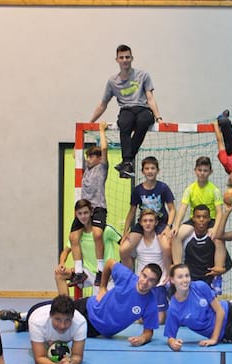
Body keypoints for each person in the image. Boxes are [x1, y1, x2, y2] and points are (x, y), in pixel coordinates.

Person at [89, 44, 164, 179]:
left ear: (132, 58)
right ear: (117, 60)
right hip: (126, 109)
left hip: (143, 108)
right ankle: (128, 161)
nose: (125, 60)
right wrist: (90, 122)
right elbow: (103, 104)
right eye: (121, 57)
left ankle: (126, 161)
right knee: (125, 122)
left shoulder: (143, 75)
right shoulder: (112, 81)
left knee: (144, 121)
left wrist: (158, 117)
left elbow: (150, 97)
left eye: (127, 57)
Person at [164, 264, 232, 351]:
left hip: (228, 310)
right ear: (172, 280)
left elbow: (220, 311)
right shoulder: (174, 309)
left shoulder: (199, 287)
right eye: (180, 277)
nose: (185, 280)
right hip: (224, 332)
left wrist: (214, 339)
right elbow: (170, 337)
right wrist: (173, 343)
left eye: (187, 276)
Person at [74, 258, 162, 346]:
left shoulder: (151, 303)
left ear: (156, 283)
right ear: (140, 273)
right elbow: (109, 263)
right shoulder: (126, 277)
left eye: (151, 280)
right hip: (85, 307)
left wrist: (142, 339)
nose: (145, 282)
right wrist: (102, 287)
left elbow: (148, 332)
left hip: (95, 330)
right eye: (144, 276)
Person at [0, 295, 86, 364]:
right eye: (58, 320)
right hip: (37, 309)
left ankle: (21, 326)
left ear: (73, 317)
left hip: (48, 318)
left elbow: (77, 356)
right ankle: (18, 316)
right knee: (29, 324)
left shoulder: (80, 323)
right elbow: (39, 358)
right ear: (51, 316)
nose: (62, 326)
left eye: (67, 320)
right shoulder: (37, 321)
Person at [68, 122, 109, 287]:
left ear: (98, 159)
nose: (89, 159)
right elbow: (74, 154)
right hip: (83, 209)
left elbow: (104, 149)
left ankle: (100, 269)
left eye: (92, 156)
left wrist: (100, 130)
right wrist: (79, 135)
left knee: (97, 234)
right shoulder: (85, 168)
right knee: (73, 237)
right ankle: (79, 272)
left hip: (98, 208)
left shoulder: (101, 168)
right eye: (88, 156)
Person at [120, 156, 175, 271]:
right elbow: (132, 212)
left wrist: (168, 227)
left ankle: (167, 276)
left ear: (157, 170)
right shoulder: (138, 190)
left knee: (166, 248)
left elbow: (172, 209)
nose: (150, 171)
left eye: (153, 168)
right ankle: (130, 276)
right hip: (143, 224)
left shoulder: (163, 187)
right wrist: (125, 232)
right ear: (142, 171)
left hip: (160, 224)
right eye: (147, 168)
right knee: (123, 250)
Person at [56, 199, 121, 295]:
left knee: (100, 304)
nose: (83, 216)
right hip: (86, 274)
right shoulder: (76, 235)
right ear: (76, 215)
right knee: (59, 274)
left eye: (86, 213)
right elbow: (66, 251)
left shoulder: (105, 230)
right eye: (80, 213)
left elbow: (123, 243)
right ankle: (65, 307)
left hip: (105, 274)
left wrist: (119, 265)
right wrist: (61, 263)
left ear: (91, 213)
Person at [171, 156, 224, 265]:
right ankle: (177, 267)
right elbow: (183, 208)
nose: (202, 173)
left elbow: (219, 212)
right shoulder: (189, 189)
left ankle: (217, 272)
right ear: (195, 171)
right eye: (200, 170)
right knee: (176, 235)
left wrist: (215, 228)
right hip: (194, 220)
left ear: (211, 172)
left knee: (218, 238)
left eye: (205, 170)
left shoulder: (215, 190)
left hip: (210, 221)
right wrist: (176, 225)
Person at [128, 209, 169, 324]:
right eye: (145, 220)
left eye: (151, 220)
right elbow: (131, 258)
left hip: (158, 283)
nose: (148, 223)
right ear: (140, 223)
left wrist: (168, 274)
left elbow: (168, 257)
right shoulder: (137, 240)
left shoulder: (161, 239)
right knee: (138, 319)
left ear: (156, 223)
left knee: (160, 320)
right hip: (141, 283)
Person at [182, 205, 231, 291]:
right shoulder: (186, 238)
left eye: (205, 217)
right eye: (198, 217)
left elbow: (228, 263)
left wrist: (222, 270)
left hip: (209, 281)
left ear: (209, 219)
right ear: (193, 219)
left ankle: (216, 280)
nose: (201, 220)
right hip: (189, 281)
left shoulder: (215, 240)